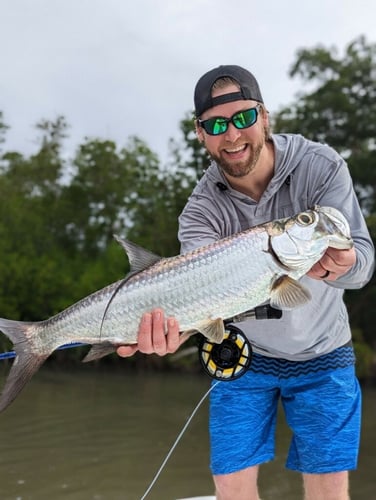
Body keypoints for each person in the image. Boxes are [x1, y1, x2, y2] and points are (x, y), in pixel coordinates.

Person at [117, 65, 375, 500]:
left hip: (324, 350)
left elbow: (364, 265)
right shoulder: (199, 212)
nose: (232, 135)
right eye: (216, 125)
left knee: (330, 490)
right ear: (200, 134)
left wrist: (341, 264)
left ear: (264, 116)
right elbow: (194, 296)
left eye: (243, 118)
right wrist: (164, 331)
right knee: (231, 490)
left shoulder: (321, 166)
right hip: (242, 358)